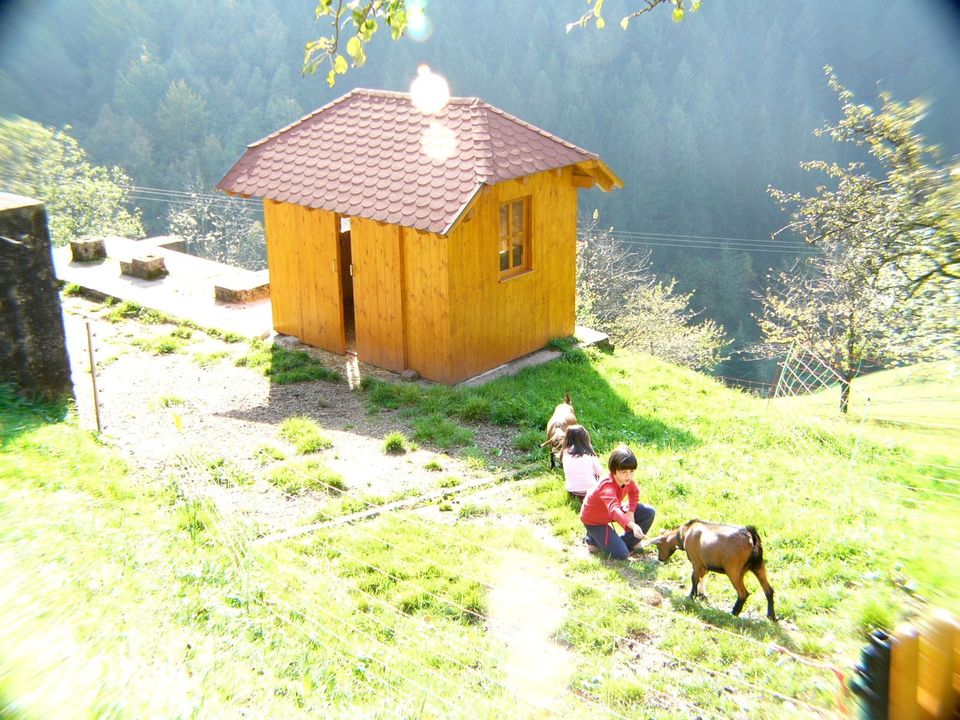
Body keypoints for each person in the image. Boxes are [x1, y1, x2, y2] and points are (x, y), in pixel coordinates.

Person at [579, 444, 656, 560]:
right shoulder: (607, 486)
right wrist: (633, 525)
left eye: (632, 471)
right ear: (614, 471)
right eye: (624, 471)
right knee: (621, 555)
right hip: (595, 520)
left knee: (649, 512)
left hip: (610, 513)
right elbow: (614, 509)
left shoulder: (626, 480)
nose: (629, 476)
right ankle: (592, 539)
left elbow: (634, 493)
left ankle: (623, 542)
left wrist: (630, 511)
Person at [561, 424, 603, 500]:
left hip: (572, 491)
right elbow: (599, 472)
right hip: (590, 490)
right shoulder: (589, 453)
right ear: (585, 438)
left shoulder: (565, 453)